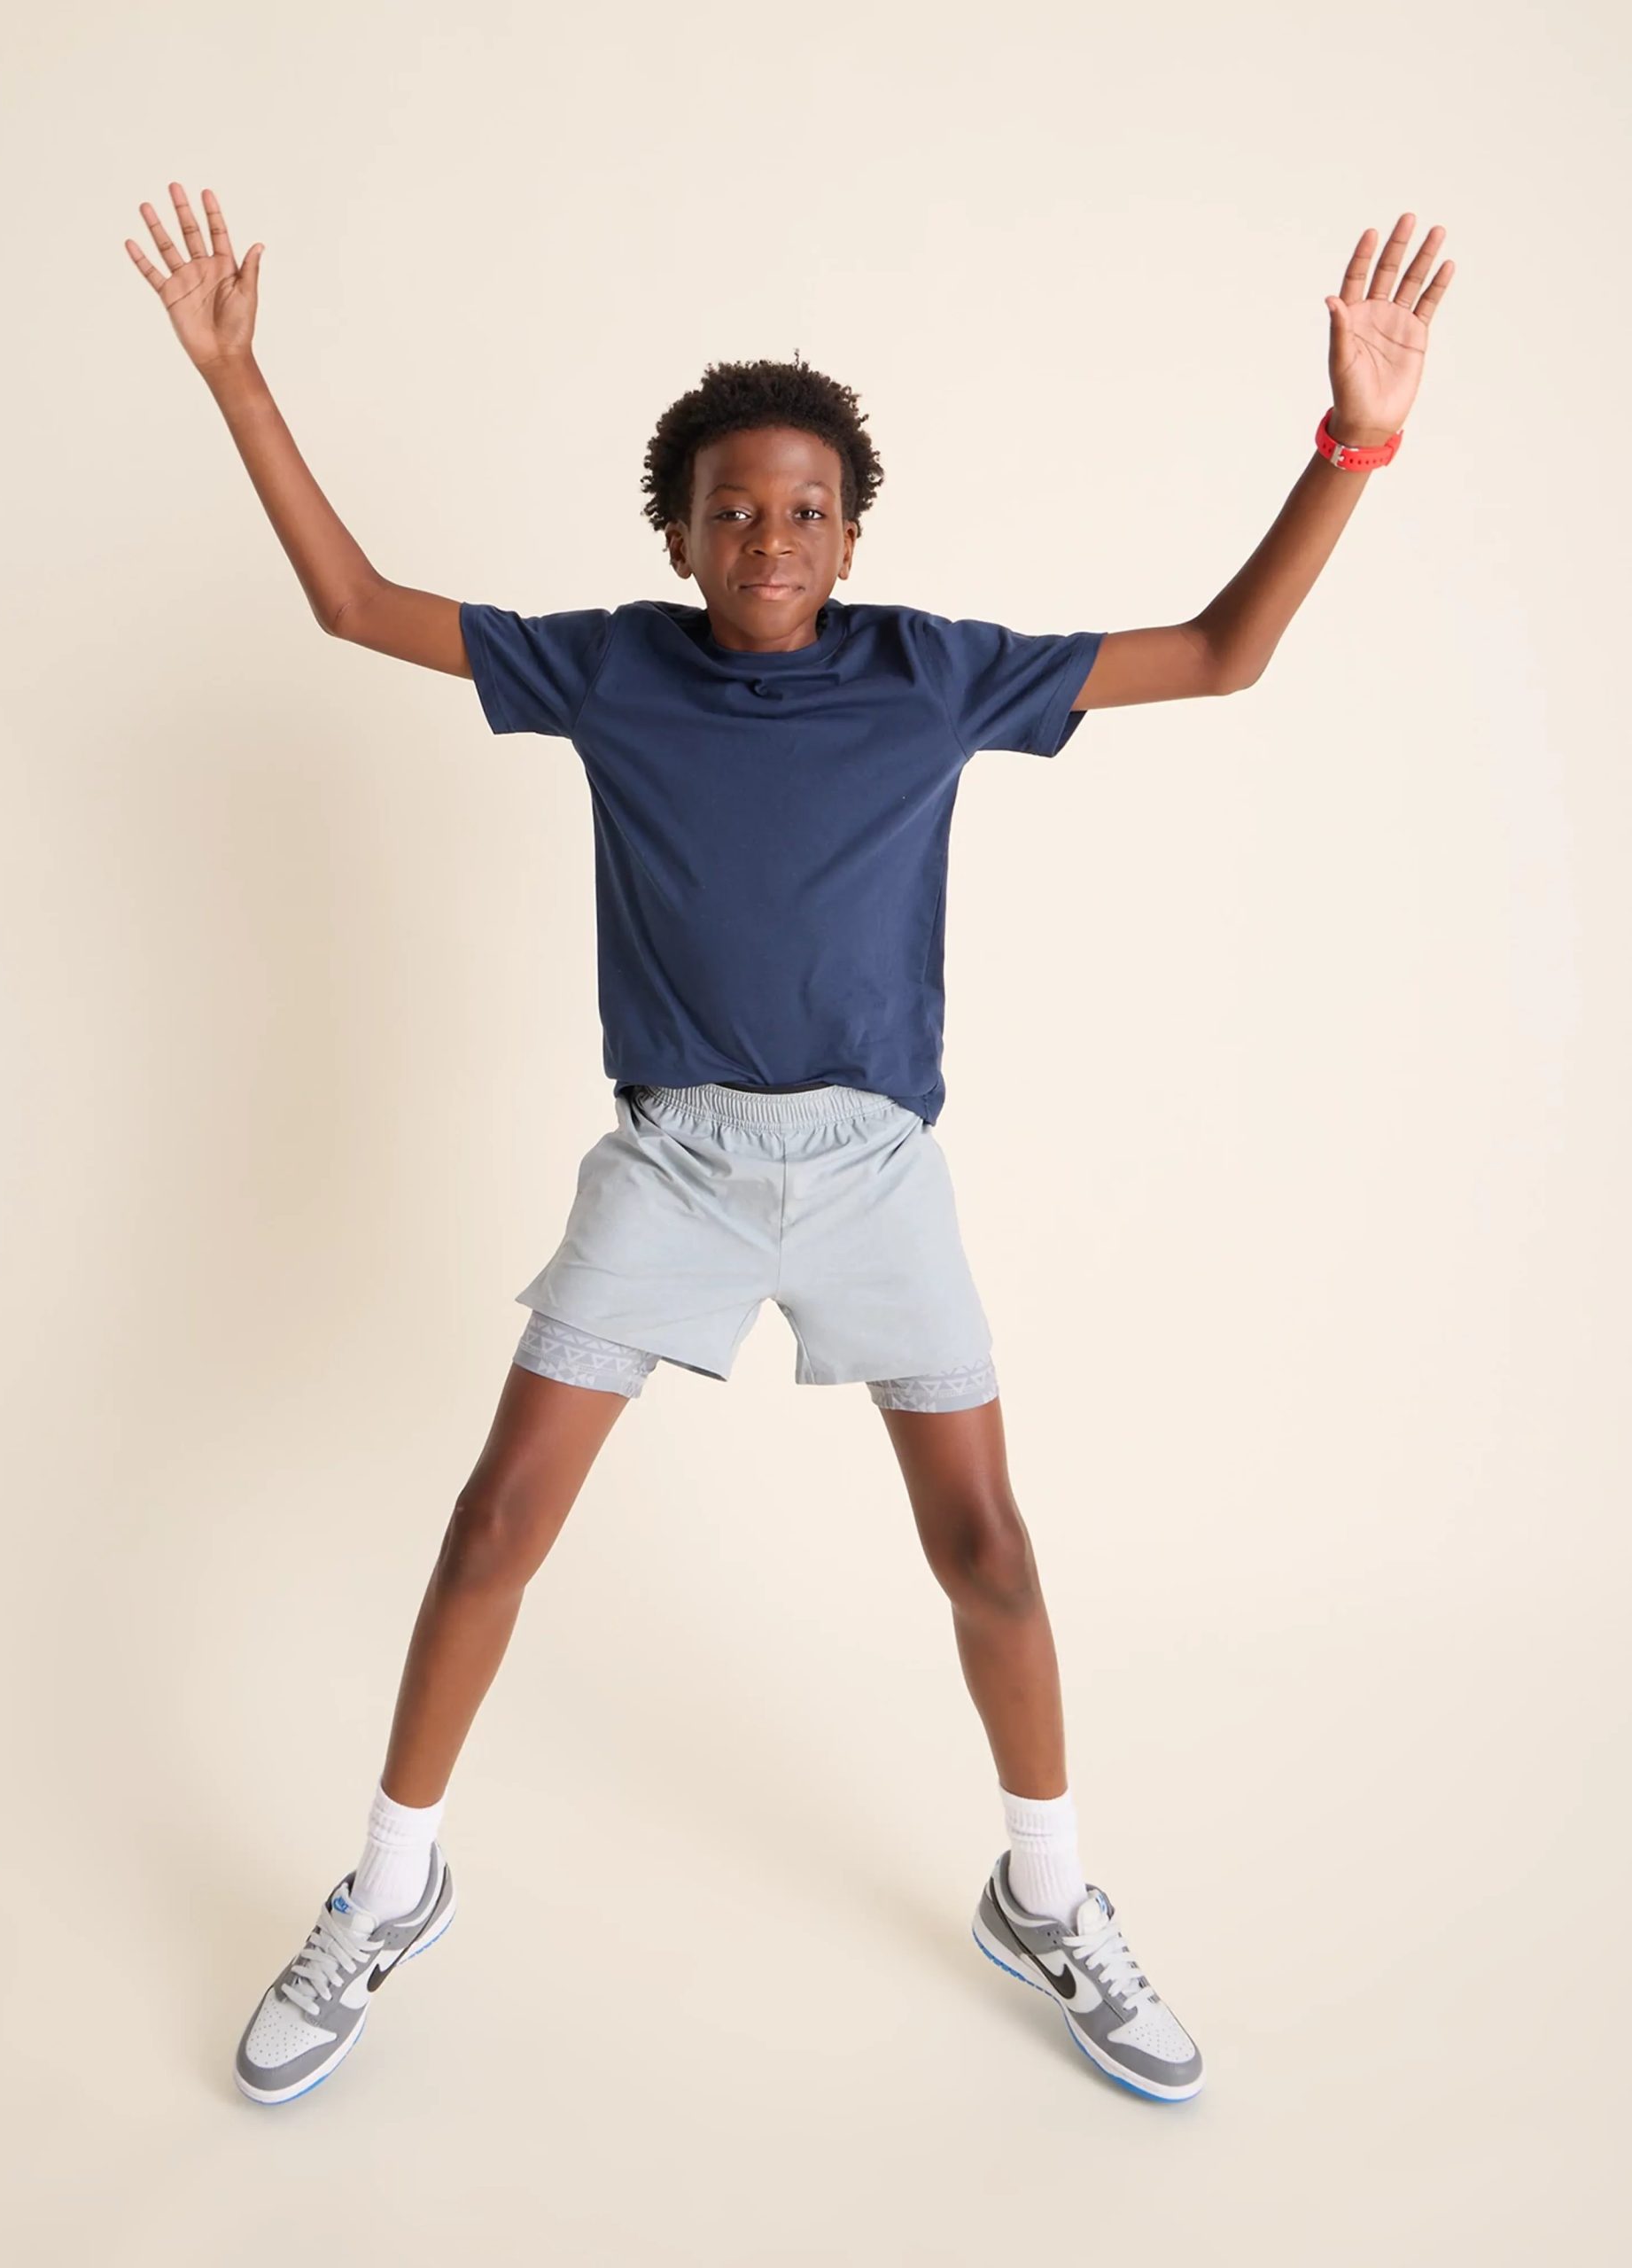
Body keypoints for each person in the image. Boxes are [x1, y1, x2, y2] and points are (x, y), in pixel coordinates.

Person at [125, 184, 1452, 2109]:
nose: (772, 538)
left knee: (987, 1548)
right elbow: (353, 604)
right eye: (733, 509)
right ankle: (390, 1887)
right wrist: (239, 380)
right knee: (496, 1523)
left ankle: (1047, 1893)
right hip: (672, 1165)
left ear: (853, 532)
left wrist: (1354, 437)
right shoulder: (610, 668)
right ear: (678, 534)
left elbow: (1224, 651)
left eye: (809, 509)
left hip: (871, 1169)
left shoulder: (934, 671)